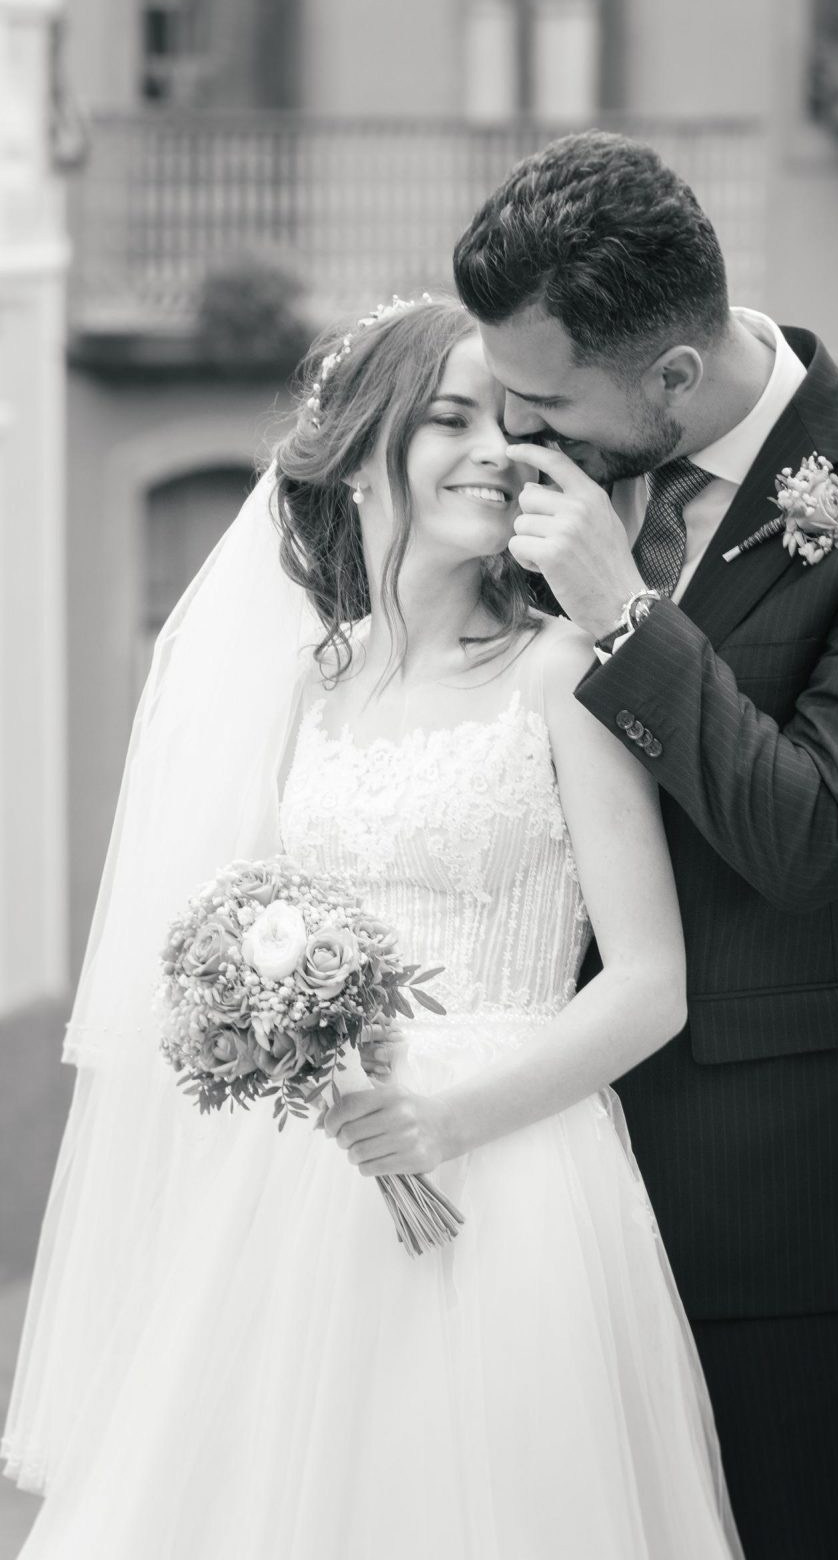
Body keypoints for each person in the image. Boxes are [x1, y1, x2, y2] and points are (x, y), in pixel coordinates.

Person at [2, 295, 741, 1558]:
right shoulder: (307, 685)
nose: (490, 451)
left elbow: (650, 983)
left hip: (513, 1177)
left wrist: (448, 1118)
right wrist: (274, 1032)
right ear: (359, 454)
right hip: (305, 1180)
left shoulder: (563, 673)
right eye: (448, 418)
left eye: (508, 424)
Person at [452, 128, 838, 1560]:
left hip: (778, 1199)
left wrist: (624, 619)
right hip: (541, 1181)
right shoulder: (555, 465)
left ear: (672, 380)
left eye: (544, 399)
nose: (515, 435)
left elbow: (815, 833)